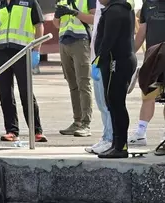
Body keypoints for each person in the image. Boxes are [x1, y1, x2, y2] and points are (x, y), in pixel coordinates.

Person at [0, 0, 49, 142]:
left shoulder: (30, 2)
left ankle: (36, 131)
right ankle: (12, 131)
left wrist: (36, 50)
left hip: (22, 51)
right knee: (5, 94)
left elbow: (39, 26)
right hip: (1, 52)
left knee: (26, 92)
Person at [92, 0, 136, 158]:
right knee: (112, 103)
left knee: (116, 103)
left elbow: (108, 40)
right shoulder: (115, 9)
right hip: (116, 61)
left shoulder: (115, 11)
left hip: (116, 61)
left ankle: (120, 146)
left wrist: (98, 59)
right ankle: (116, 144)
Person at [54, 0, 96, 137]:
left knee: (83, 83)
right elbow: (57, 24)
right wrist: (57, 16)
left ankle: (86, 123)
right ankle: (77, 121)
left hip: (81, 41)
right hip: (64, 41)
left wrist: (74, 13)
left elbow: (95, 18)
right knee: (72, 84)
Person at [128, 0, 165, 148]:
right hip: (153, 60)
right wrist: (129, 54)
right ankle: (140, 133)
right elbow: (141, 33)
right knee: (148, 95)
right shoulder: (147, 4)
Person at [85, 0, 114, 154]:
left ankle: (110, 139)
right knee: (102, 104)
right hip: (96, 60)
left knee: (108, 103)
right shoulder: (100, 7)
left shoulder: (113, 9)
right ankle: (106, 136)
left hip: (105, 62)